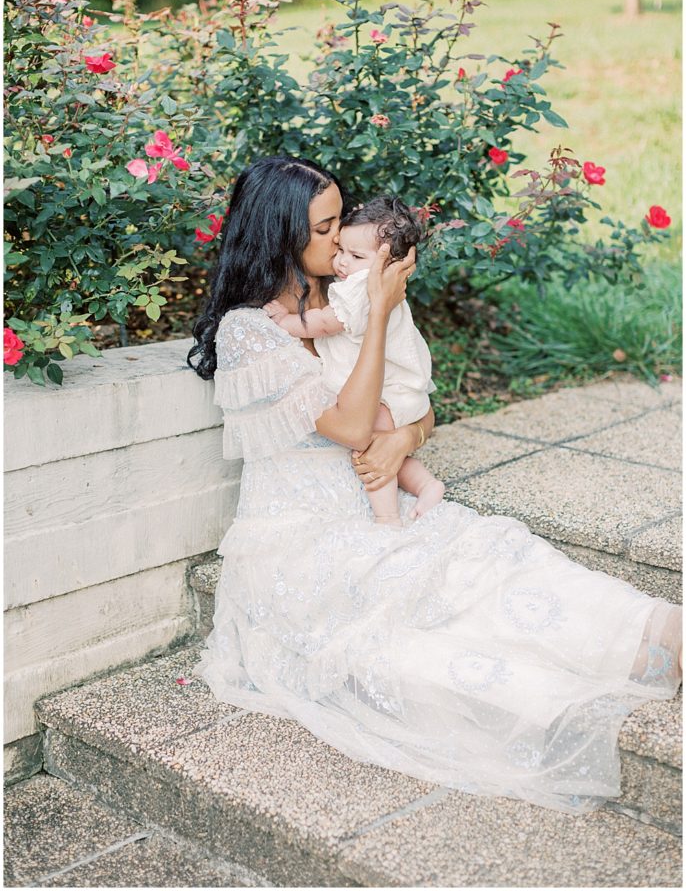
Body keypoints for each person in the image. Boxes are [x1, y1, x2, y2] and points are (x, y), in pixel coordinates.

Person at [188, 155, 682, 815]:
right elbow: (356, 420)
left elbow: (415, 411)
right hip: (304, 554)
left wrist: (404, 437)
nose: (342, 242)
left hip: (374, 508)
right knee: (426, 640)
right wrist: (381, 310)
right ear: (279, 232)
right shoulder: (250, 331)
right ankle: (603, 677)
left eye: (342, 223)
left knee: (497, 556)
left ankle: (662, 629)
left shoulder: (339, 298)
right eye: (327, 227)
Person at [263, 194, 445, 526]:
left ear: (389, 263)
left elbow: (323, 323)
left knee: (370, 449)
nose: (341, 257)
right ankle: (426, 485)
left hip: (390, 391)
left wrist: (285, 323)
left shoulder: (362, 287)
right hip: (402, 391)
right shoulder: (362, 282)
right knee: (379, 444)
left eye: (355, 255)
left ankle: (387, 516)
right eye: (331, 236)